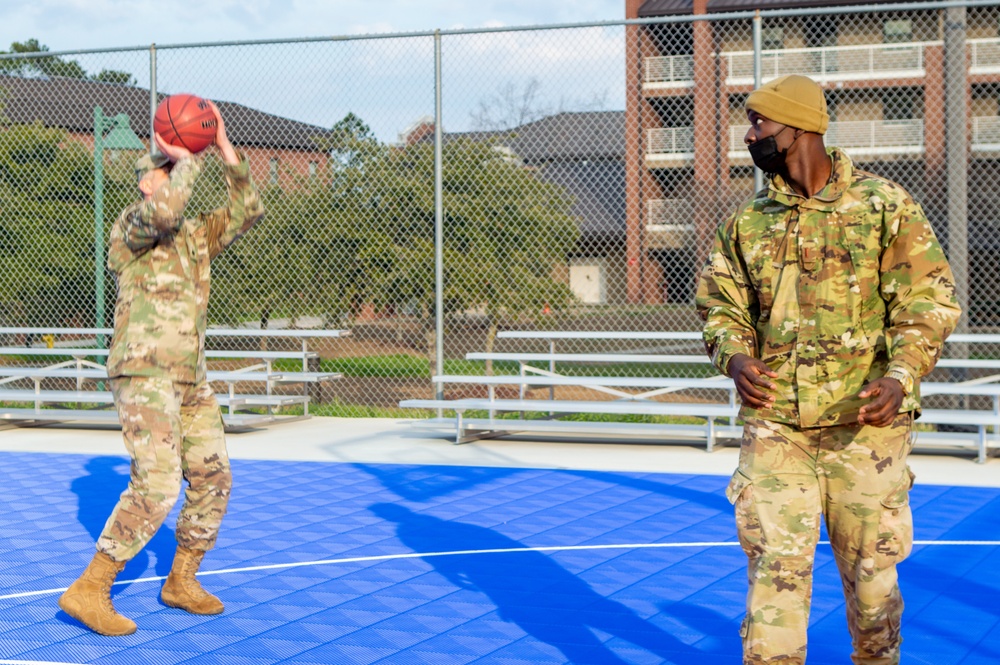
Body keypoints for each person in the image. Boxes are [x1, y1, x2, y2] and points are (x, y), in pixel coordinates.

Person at [695, 74, 961, 665]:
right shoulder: (747, 223)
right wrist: (734, 356)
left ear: (798, 127)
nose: (749, 135)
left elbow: (928, 302)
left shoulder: (884, 206)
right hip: (777, 430)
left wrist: (900, 378)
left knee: (872, 599)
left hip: (865, 433)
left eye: (760, 123)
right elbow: (719, 306)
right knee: (774, 590)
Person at [59, 102, 264, 636]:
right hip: (144, 371)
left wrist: (221, 148)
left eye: (173, 167)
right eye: (164, 170)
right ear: (146, 183)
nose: (171, 174)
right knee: (157, 483)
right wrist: (184, 161)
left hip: (190, 378)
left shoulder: (197, 236)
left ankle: (181, 580)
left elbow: (247, 210)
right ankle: (90, 588)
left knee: (215, 475)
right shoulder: (132, 227)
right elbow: (167, 212)